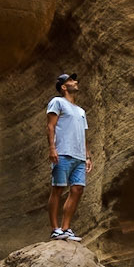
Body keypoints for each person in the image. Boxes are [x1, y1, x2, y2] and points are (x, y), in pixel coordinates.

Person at [46, 72, 88, 240]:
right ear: (63, 87)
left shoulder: (81, 111)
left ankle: (66, 228)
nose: (75, 82)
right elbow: (50, 126)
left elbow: (83, 134)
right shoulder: (57, 102)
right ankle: (55, 229)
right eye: (71, 80)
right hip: (63, 151)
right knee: (58, 188)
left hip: (79, 156)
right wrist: (52, 148)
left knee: (77, 189)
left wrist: (88, 156)